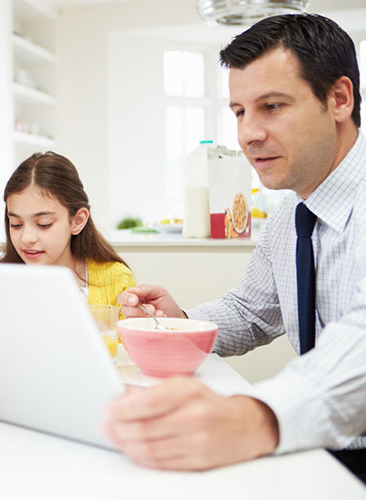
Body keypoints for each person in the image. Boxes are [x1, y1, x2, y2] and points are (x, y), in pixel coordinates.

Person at [105, 13, 366, 482]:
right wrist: (180, 323)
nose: (248, 135)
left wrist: (255, 418)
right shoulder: (292, 214)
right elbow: (251, 311)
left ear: (339, 99)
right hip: (321, 450)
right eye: (240, 112)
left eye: (272, 106)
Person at [0, 152, 135, 311]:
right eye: (16, 224)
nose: (26, 238)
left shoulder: (116, 280)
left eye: (44, 224)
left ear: (78, 221)